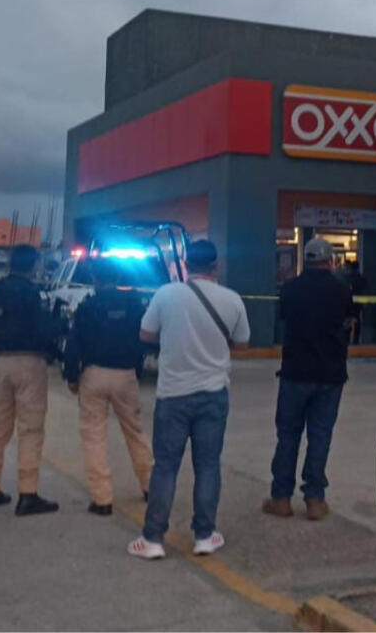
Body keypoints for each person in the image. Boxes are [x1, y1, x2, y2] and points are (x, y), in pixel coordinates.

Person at [127, 240, 250, 560]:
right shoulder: (232, 299)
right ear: (216, 265)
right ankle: (205, 536)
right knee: (208, 466)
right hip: (213, 395)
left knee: (165, 467)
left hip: (173, 395)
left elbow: (145, 334)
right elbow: (243, 343)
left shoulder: (166, 294)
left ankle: (152, 539)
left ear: (186, 264)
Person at [263, 239, 356, 522]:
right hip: (330, 375)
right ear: (330, 261)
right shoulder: (342, 291)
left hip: (295, 373)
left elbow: (284, 320)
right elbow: (348, 326)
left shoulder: (290, 289)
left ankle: (281, 498)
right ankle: (315, 499)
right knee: (320, 436)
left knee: (288, 435)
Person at [0, 245, 60, 516]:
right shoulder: (34, 293)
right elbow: (46, 332)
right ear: (33, 265)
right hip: (30, 363)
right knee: (30, 429)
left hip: (2, 362)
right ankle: (28, 494)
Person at [62, 257, 154, 516]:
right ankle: (150, 487)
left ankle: (102, 499)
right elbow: (145, 338)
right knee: (135, 432)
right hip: (125, 375)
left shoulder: (88, 305)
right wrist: (136, 365)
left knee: (94, 436)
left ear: (94, 279)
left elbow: (74, 343)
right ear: (119, 278)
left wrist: (71, 376)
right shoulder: (134, 304)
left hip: (93, 374)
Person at [341, 261, 368, 343]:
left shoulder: (345, 279)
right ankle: (355, 340)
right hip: (357, 304)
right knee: (356, 320)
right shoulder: (360, 278)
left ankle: (347, 339)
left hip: (348, 303)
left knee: (347, 321)